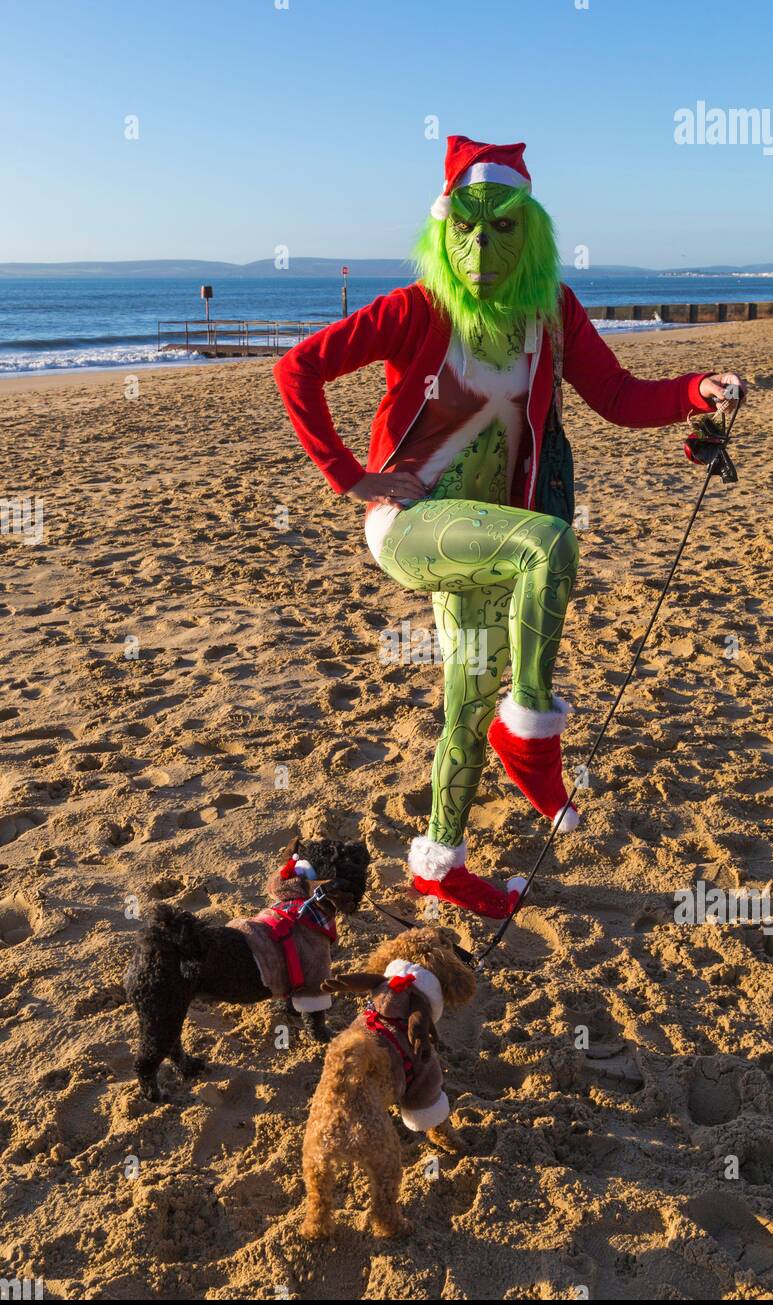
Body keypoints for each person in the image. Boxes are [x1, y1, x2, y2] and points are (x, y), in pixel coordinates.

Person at [274, 134, 746, 921]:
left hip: (494, 533)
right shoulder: (418, 308)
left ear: (532, 232)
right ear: (442, 229)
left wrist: (699, 388)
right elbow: (299, 368)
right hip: (414, 524)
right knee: (551, 542)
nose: (482, 243)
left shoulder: (551, 312)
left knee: (466, 697)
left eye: (503, 225)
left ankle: (440, 862)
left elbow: (619, 396)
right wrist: (349, 475)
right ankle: (529, 737)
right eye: (467, 224)